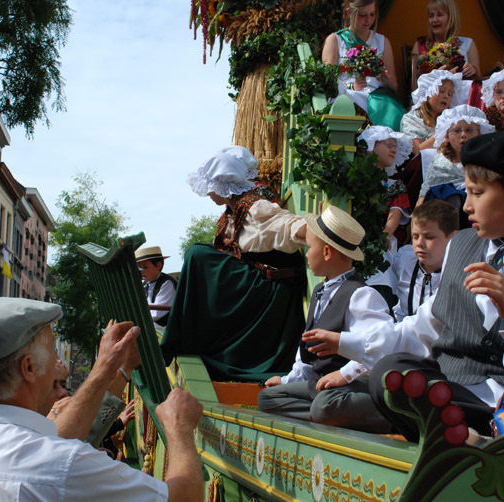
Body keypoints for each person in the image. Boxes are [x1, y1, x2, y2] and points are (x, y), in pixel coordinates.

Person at [321, 131, 504, 439]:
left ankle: (455, 437)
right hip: (447, 390)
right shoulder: (462, 244)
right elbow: (423, 329)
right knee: (366, 384)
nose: (466, 207)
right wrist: (345, 343)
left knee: (387, 379)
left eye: (477, 193)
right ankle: (448, 434)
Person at [0, 298, 204, 502]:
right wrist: (179, 428)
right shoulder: (56, 467)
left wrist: (106, 369)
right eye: (53, 352)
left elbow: (52, 441)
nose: (57, 363)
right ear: (28, 368)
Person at [161, 146, 308, 381]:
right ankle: (187, 337)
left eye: (210, 188)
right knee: (200, 257)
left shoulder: (254, 206)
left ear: (223, 184)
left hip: (271, 289)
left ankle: (180, 340)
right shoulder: (231, 212)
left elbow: (284, 224)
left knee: (198, 256)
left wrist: (310, 231)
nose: (208, 194)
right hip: (256, 283)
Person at [257, 206, 393, 432]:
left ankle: (383, 415)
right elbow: (307, 358)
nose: (307, 253)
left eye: (309, 247)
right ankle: (329, 416)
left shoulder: (361, 295)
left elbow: (381, 347)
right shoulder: (319, 292)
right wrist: (288, 381)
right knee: (268, 398)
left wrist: (345, 374)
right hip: (320, 387)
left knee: (324, 406)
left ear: (327, 253)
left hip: (353, 387)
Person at [322, 0, 403, 128]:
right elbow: (328, 80)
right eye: (362, 15)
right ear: (349, 13)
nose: (368, 20)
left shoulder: (382, 41)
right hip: (347, 94)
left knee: (393, 112)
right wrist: (351, 86)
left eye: (372, 14)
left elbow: (394, 85)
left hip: (377, 95)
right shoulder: (335, 40)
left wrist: (385, 80)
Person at [391, 200, 458, 321]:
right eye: (415, 236)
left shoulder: (459, 274)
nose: (420, 244)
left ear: (452, 237)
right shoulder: (404, 259)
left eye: (429, 237)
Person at [419, 105, 494, 210]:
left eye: (469, 130)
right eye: (457, 131)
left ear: (479, 134)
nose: (463, 135)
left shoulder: (487, 162)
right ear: (447, 136)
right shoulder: (440, 164)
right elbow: (425, 195)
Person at [358, 125, 414, 250]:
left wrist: (386, 234)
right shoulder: (357, 180)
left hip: (381, 240)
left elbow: (396, 211)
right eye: (389, 145)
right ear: (371, 147)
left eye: (395, 147)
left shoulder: (395, 185)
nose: (394, 150)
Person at [411, 0, 481, 89]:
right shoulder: (420, 45)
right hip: (432, 97)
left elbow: (479, 79)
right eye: (431, 16)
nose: (434, 20)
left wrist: (473, 70)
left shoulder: (468, 44)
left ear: (451, 17)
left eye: (440, 15)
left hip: (463, 95)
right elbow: (415, 82)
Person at [401, 70, 470, 152]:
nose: (446, 96)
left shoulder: (450, 118)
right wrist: (443, 132)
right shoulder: (411, 119)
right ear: (428, 93)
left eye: (450, 94)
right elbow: (417, 151)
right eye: (442, 91)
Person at [136, 246, 176, 327]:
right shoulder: (145, 286)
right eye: (139, 268)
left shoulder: (167, 283)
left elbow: (155, 314)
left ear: (158, 266)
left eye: (145, 267)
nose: (142, 272)